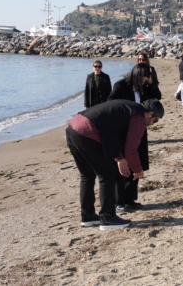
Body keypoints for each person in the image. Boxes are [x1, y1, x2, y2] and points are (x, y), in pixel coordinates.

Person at [65, 98, 164, 230]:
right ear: (150, 113)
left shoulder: (128, 107)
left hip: (73, 128)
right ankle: (108, 217)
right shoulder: (138, 117)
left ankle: (88, 216)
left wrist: (119, 158)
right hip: (87, 132)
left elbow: (110, 131)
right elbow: (131, 150)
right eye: (155, 120)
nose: (153, 124)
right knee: (107, 175)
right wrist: (138, 170)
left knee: (87, 175)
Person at [107, 63, 160, 211]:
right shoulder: (120, 86)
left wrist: (151, 83)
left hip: (139, 128)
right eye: (143, 79)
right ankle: (119, 201)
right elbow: (111, 105)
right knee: (123, 165)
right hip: (123, 131)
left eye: (145, 80)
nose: (144, 82)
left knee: (137, 162)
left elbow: (156, 98)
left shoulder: (143, 88)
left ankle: (130, 199)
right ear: (137, 75)